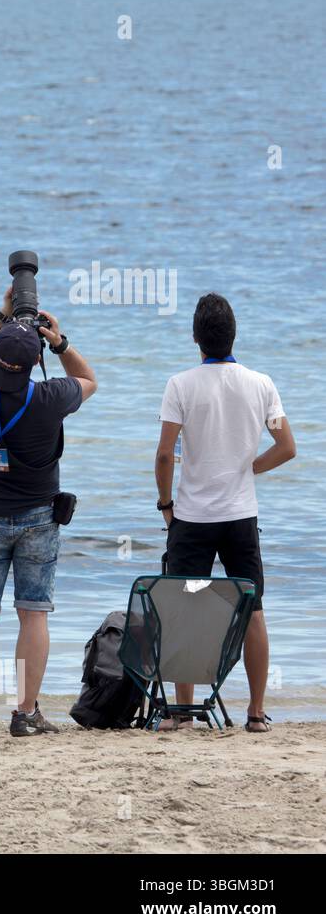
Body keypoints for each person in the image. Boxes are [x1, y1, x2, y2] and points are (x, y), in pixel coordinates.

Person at [0, 288, 95, 736]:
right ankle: (24, 713)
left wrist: (2, 310)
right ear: (37, 363)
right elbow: (90, 380)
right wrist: (60, 343)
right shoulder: (50, 396)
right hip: (38, 518)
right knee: (33, 614)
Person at [153, 293, 294, 733]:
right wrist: (250, 467)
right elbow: (287, 448)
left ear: (196, 338)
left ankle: (183, 714)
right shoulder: (260, 383)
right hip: (239, 517)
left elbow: (163, 456)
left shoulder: (181, 384)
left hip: (192, 519)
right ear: (234, 335)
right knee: (252, 610)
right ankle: (255, 712)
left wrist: (165, 506)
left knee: (185, 610)